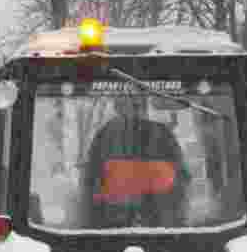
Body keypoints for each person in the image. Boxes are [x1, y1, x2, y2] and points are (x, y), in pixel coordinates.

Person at [80, 95, 191, 229]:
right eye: (133, 104)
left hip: (118, 222)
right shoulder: (162, 133)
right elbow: (182, 178)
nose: (135, 109)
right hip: (156, 220)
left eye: (136, 104)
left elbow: (91, 181)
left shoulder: (105, 134)